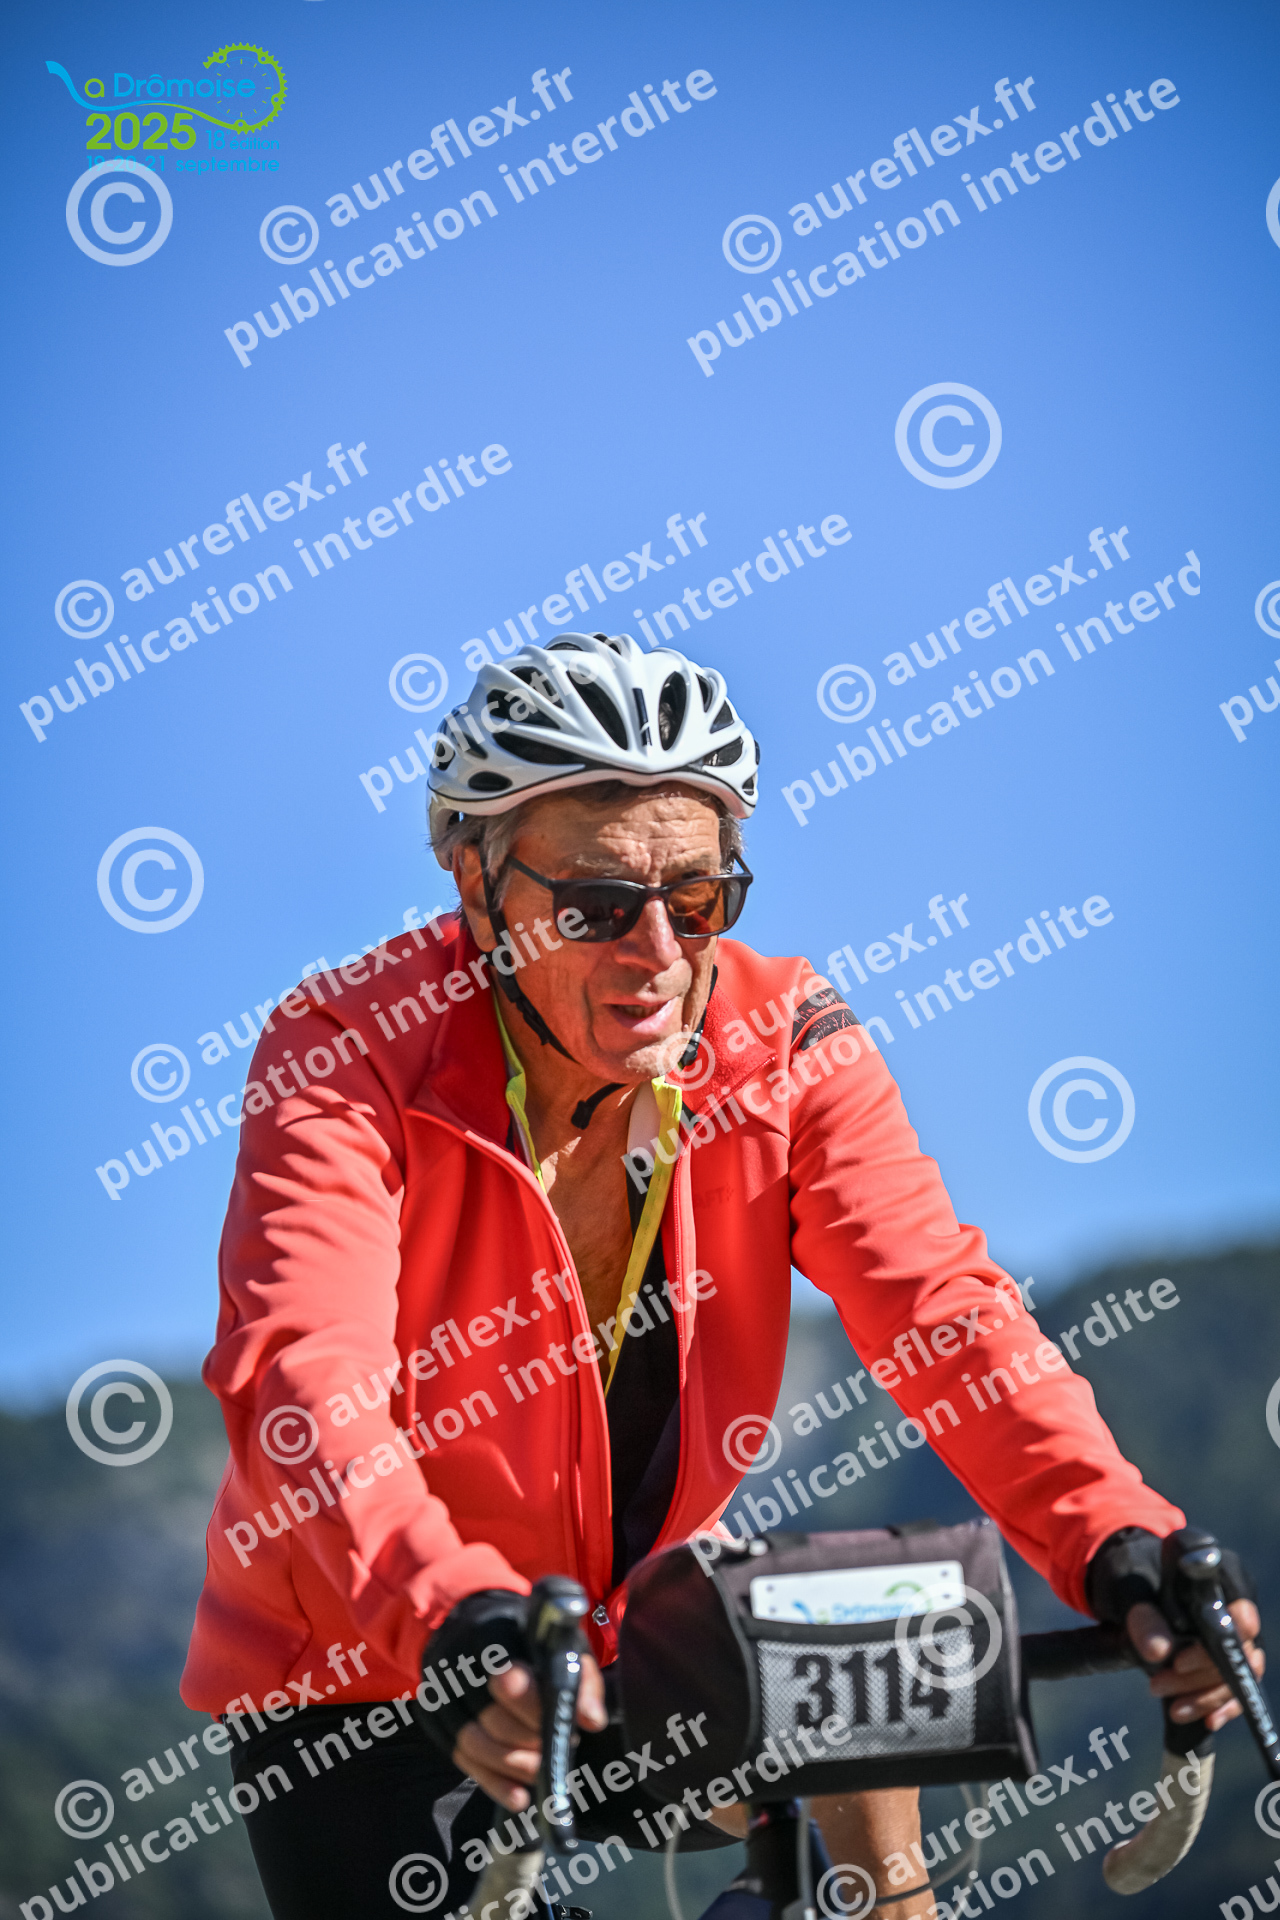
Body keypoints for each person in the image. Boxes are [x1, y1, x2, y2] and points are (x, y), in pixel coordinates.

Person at [182, 634, 1261, 1919]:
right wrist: (443, 1611)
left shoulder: (784, 1039)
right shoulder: (347, 1047)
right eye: (593, 905)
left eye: (696, 899)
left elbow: (941, 1312)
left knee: (859, 1629)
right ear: (474, 878)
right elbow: (304, 1372)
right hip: (375, 1659)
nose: (655, 953)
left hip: (642, 1629)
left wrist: (1113, 1534)